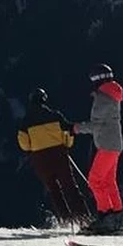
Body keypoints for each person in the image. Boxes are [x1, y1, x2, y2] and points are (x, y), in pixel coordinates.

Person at [17, 88, 92, 227]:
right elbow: (68, 133)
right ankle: (84, 219)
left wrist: (35, 148)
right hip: (59, 155)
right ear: (44, 99)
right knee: (70, 187)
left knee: (54, 190)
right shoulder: (55, 116)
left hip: (39, 159)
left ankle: (65, 220)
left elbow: (24, 144)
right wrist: (65, 145)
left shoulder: (26, 121)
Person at [74, 64, 123, 233]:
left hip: (106, 144)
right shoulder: (113, 93)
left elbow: (96, 125)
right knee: (108, 180)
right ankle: (117, 214)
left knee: (95, 180)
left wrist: (76, 128)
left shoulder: (103, 97)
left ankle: (105, 215)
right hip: (115, 143)